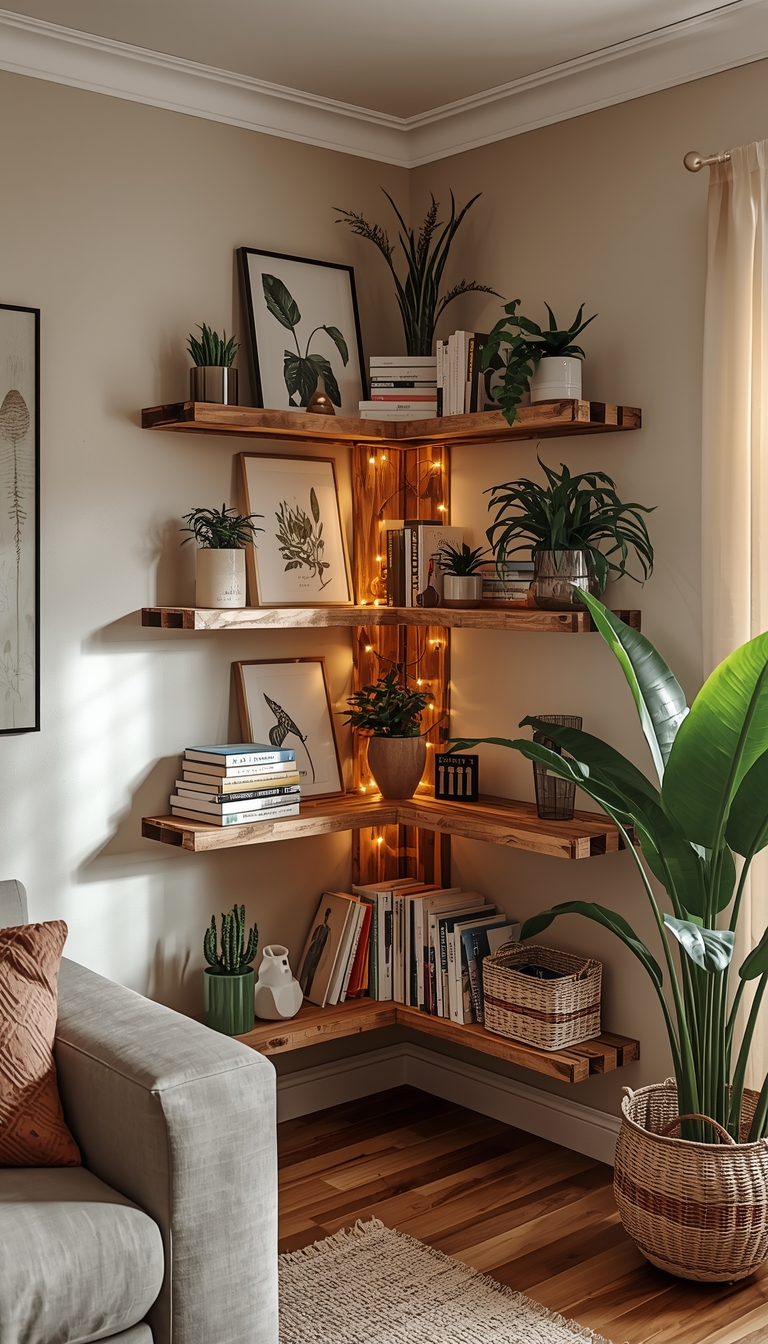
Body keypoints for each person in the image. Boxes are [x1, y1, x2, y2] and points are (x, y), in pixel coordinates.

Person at [300, 907, 331, 997]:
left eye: (328, 916)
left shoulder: (328, 931)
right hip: (312, 952)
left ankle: (307, 993)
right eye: (326, 916)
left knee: (311, 974)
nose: (326, 918)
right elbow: (312, 941)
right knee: (305, 971)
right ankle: (301, 990)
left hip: (318, 954)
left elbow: (326, 946)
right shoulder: (319, 928)